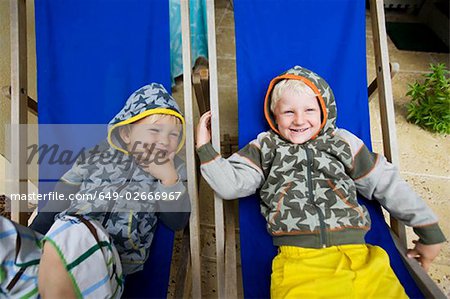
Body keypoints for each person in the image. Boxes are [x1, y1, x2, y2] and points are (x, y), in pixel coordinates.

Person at [195, 65, 445, 298]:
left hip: (360, 256)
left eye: (309, 110)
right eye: (289, 111)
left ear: (325, 109)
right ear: (274, 115)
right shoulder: (265, 147)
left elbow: (386, 182)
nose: (299, 120)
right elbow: (231, 184)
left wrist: (428, 230)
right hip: (298, 261)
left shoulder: (342, 141)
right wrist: (205, 148)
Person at [0, 83, 190, 298]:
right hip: (59, 240)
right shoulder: (98, 154)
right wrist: (36, 236)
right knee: (9, 236)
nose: (164, 140)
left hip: (107, 261)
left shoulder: (174, 170)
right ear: (127, 133)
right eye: (155, 130)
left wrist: (168, 178)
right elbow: (62, 196)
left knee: (78, 231)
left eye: (174, 134)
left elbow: (177, 221)